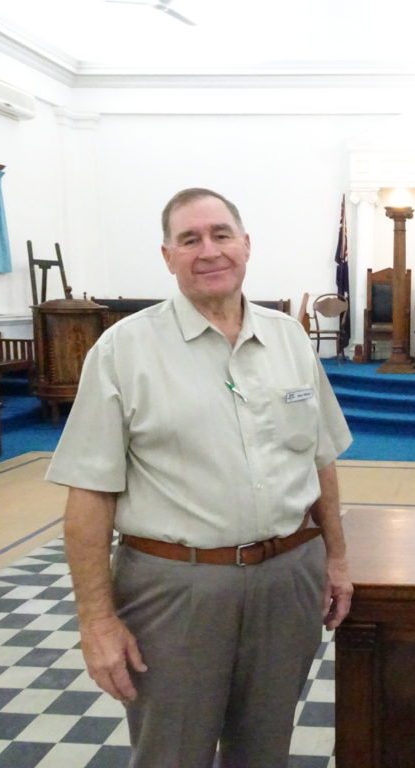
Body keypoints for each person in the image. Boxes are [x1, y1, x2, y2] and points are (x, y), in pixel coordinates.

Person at [46, 188, 353, 768]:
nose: (208, 250)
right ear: (168, 256)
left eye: (220, 235)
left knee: (265, 750)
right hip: (175, 590)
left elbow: (320, 461)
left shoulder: (290, 339)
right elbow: (88, 496)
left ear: (245, 245)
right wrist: (96, 620)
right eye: (190, 240)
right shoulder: (123, 350)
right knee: (172, 753)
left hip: (287, 583)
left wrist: (335, 560)